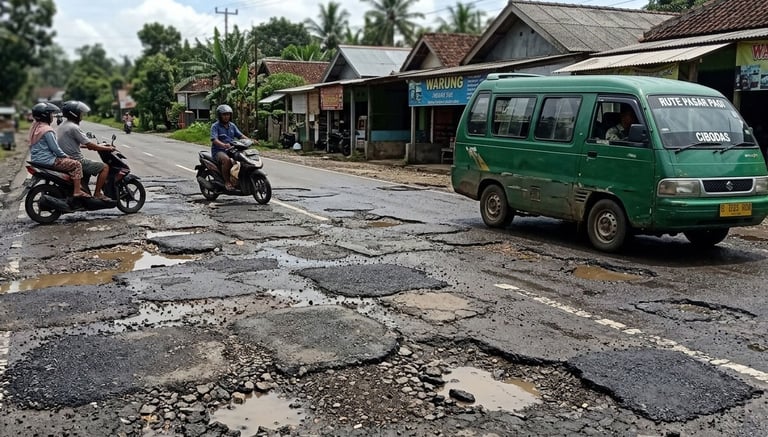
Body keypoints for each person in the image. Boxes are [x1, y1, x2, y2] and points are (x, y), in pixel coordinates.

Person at [56, 101, 116, 200]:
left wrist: (95, 145)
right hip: (76, 160)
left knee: (88, 170)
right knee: (105, 167)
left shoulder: (63, 125)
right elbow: (91, 145)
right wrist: (108, 148)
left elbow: (75, 143)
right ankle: (97, 193)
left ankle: (84, 189)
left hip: (65, 158)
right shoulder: (73, 127)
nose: (82, 115)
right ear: (74, 114)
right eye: (80, 112)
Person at [28, 102, 90, 198]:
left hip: (36, 159)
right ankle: (77, 191)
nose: (52, 116)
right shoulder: (47, 130)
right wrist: (65, 156)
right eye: (51, 114)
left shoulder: (35, 127)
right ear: (45, 115)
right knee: (76, 164)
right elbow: (55, 148)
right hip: (48, 160)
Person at [211, 104, 251, 190]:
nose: (226, 117)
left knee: (243, 159)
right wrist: (223, 145)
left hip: (232, 150)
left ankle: (239, 179)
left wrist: (250, 140)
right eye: (224, 114)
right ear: (220, 115)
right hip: (219, 151)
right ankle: (227, 182)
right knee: (227, 160)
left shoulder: (232, 126)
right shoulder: (215, 126)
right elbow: (214, 139)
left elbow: (240, 135)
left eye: (228, 114)